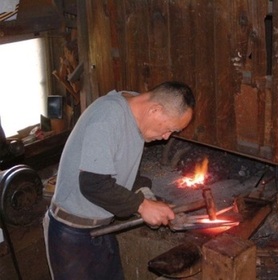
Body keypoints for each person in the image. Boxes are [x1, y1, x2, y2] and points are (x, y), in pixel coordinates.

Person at [43, 81, 195, 280]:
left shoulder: (136, 117)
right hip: (71, 235)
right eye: (169, 129)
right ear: (155, 110)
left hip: (103, 230)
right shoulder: (108, 116)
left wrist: (155, 203)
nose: (167, 137)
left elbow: (125, 177)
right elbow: (93, 183)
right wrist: (142, 206)